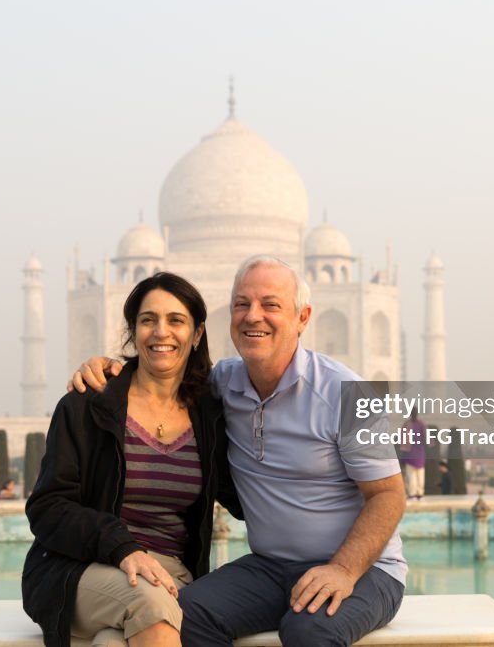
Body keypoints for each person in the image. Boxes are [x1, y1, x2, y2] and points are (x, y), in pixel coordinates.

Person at [73, 256, 407, 647]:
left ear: (303, 318)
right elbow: (158, 376)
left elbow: (388, 494)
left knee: (309, 629)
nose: (253, 316)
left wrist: (343, 570)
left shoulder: (347, 392)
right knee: (183, 616)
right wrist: (109, 369)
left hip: (366, 571)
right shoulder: (220, 385)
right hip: (271, 568)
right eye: (241, 304)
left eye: (271, 305)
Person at [23, 272, 237, 647]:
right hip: (80, 568)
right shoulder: (90, 402)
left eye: (176, 320)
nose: (161, 332)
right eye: (148, 319)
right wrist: (122, 547)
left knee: (112, 642)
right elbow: (47, 506)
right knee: (151, 609)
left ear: (198, 333)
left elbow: (246, 494)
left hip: (169, 570)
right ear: (133, 329)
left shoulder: (210, 412)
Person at [398, 408, 426, 500]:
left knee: (414, 474)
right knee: (416, 474)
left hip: (413, 452)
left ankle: (414, 493)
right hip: (415, 452)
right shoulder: (419, 424)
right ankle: (418, 493)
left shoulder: (408, 424)